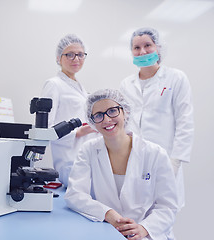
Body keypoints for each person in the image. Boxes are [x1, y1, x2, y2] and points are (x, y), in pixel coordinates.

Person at [65, 89, 179, 240]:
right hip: (107, 230)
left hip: (147, 235)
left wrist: (144, 228)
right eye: (98, 115)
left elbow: (168, 206)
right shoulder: (89, 150)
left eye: (112, 111)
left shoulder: (155, 154)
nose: (106, 120)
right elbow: (75, 194)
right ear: (92, 121)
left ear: (124, 112)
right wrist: (108, 213)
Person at [120, 27, 194, 209]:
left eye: (148, 45)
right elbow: (123, 123)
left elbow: (185, 121)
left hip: (166, 159)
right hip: (134, 159)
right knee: (135, 214)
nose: (142, 51)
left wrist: (175, 161)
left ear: (158, 48)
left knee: (164, 214)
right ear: (131, 52)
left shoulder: (176, 78)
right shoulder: (126, 84)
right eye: (136, 47)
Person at [41, 34, 96, 187]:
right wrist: (78, 133)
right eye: (70, 55)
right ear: (59, 58)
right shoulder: (54, 84)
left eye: (80, 55)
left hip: (83, 154)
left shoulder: (78, 86)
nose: (76, 59)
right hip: (68, 159)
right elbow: (45, 129)